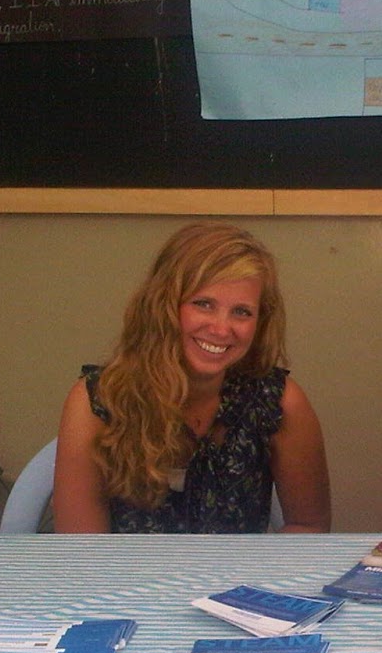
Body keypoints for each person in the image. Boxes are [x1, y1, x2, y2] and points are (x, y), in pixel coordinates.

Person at [55, 222, 331, 534]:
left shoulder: (280, 402)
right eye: (204, 304)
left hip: (241, 569)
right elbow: (81, 552)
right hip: (119, 569)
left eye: (242, 312)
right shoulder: (95, 402)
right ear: (163, 305)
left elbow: (309, 527)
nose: (221, 329)